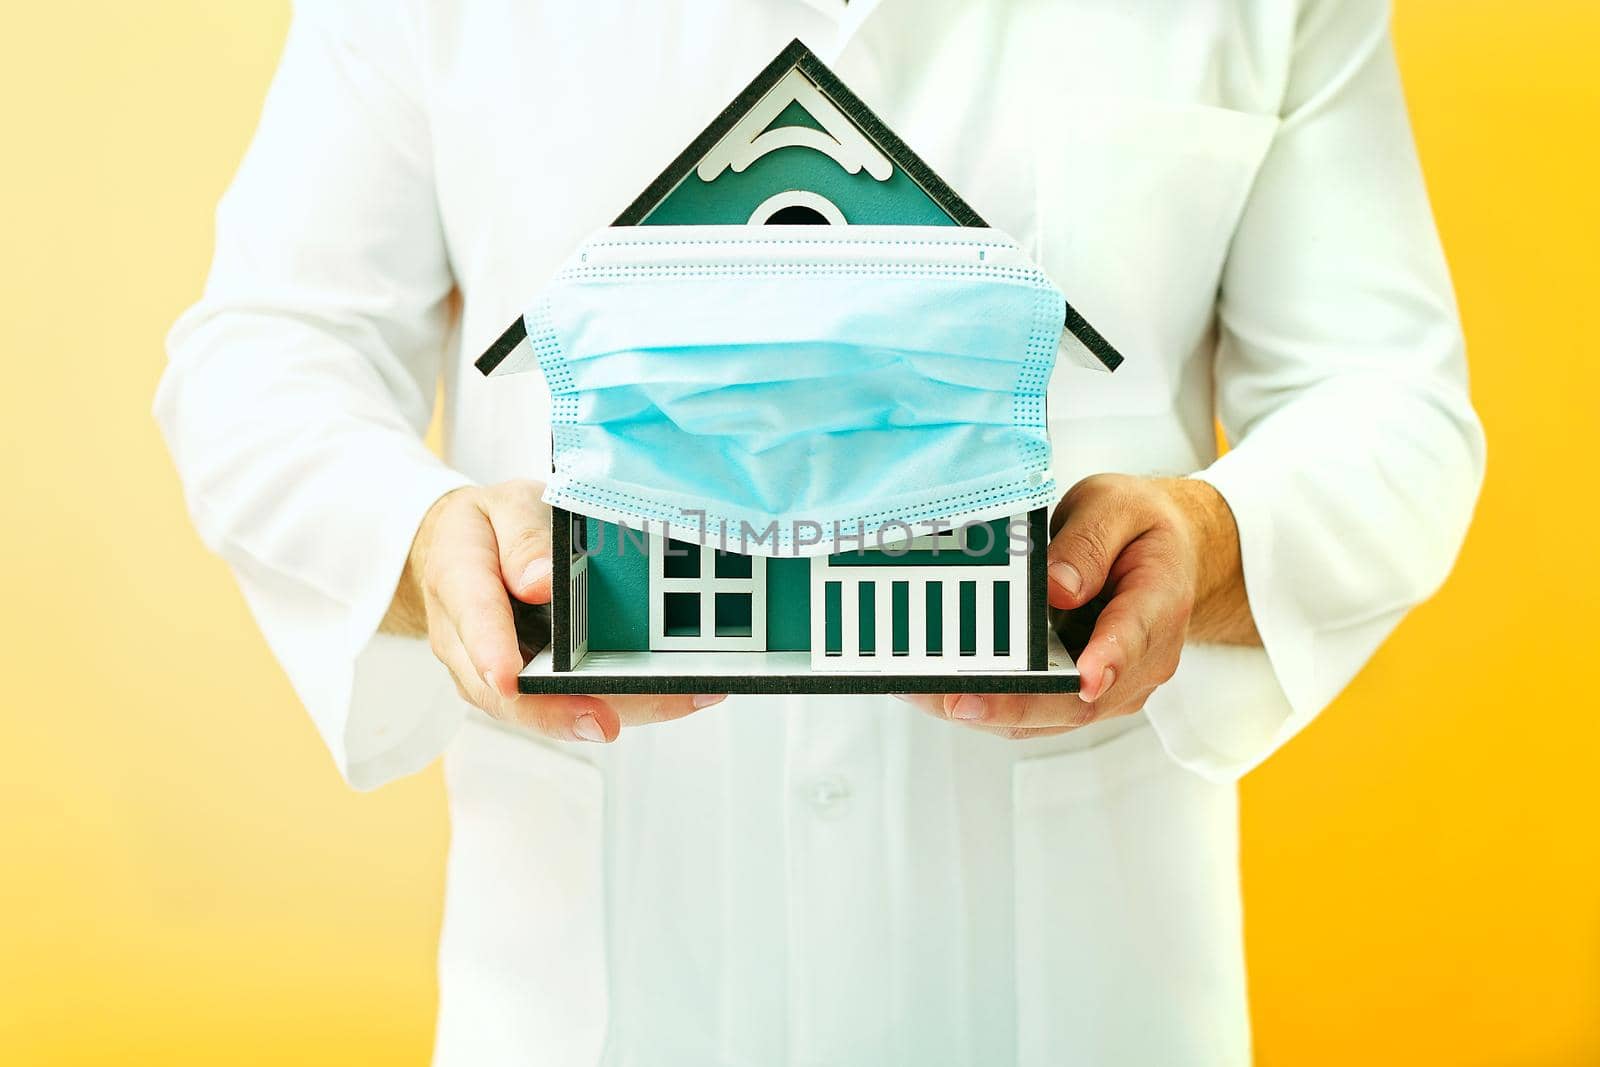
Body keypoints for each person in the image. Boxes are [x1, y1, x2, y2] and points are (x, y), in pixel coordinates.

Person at [154, 1, 1485, 1063]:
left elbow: (1394, 404)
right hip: (594, 992)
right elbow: (264, 356)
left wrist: (1213, 541)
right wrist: (418, 537)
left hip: (1089, 995)